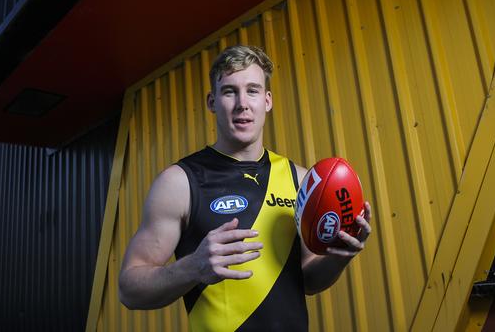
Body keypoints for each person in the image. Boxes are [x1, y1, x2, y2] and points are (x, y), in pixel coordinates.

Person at [118, 45, 372, 331]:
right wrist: (193, 267)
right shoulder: (179, 182)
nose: (242, 103)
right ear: (212, 102)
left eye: (252, 90)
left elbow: (309, 281)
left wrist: (340, 256)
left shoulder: (300, 180)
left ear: (267, 101)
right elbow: (129, 289)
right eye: (229, 92)